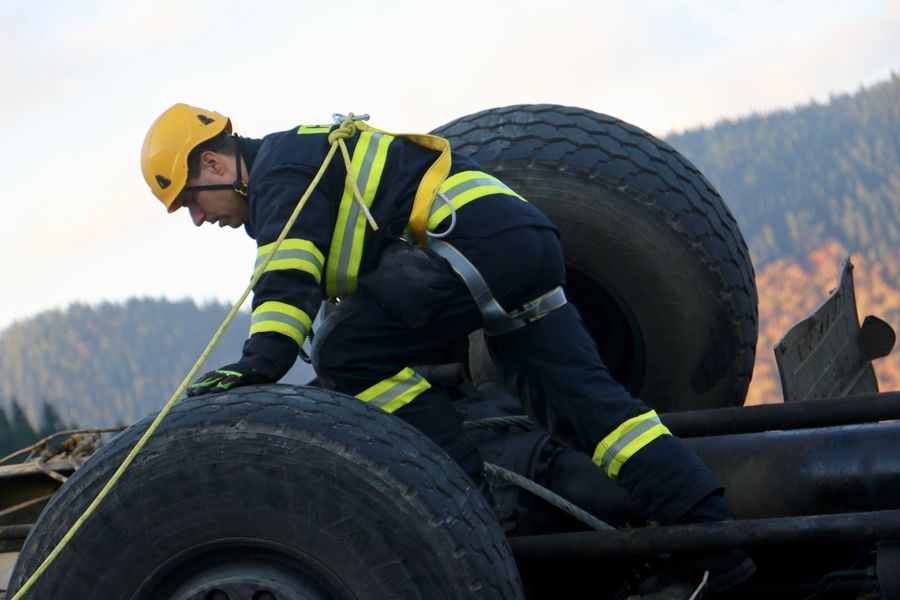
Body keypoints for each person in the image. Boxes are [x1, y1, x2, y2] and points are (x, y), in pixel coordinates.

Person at [141, 103, 755, 598]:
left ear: (217, 164)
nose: (197, 218)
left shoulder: (279, 171)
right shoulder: (300, 158)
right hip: (522, 241)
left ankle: (465, 491)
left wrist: (257, 366)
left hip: (477, 245)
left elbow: (286, 277)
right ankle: (716, 549)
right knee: (595, 412)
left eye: (191, 200)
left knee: (349, 352)